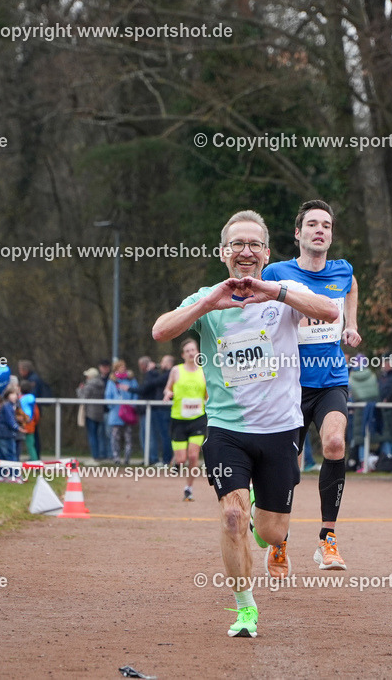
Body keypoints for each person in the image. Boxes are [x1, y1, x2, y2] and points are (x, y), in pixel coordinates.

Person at [152, 209, 338, 638]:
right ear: (224, 252)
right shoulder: (207, 297)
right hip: (227, 430)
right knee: (232, 517)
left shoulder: (284, 291)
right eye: (237, 244)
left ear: (267, 253)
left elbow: (329, 311)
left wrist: (274, 292)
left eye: (254, 244)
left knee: (271, 533)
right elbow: (160, 331)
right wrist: (206, 304)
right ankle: (245, 608)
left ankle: (262, 516)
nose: (246, 251)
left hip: (280, 430)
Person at [261, 199, 360, 570]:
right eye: (313, 224)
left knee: (334, 442)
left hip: (331, 379)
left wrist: (351, 324)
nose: (321, 230)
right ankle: (279, 540)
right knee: (289, 466)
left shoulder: (342, 270)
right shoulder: (276, 272)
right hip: (289, 384)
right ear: (298, 233)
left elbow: (352, 286)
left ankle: (327, 539)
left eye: (327, 225)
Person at [163, 338, 206, 501]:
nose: (190, 353)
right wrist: (168, 393)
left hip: (198, 419)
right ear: (182, 355)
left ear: (198, 352)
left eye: (193, 350)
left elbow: (208, 395)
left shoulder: (203, 371)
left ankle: (189, 488)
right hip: (179, 420)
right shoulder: (176, 370)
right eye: (187, 351)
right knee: (182, 459)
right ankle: (176, 461)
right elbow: (167, 388)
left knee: (193, 456)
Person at [104, 360, 138, 465]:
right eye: (120, 367)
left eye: (124, 366)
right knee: (115, 437)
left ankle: (127, 458)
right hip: (116, 413)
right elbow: (108, 396)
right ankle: (116, 457)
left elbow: (136, 393)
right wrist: (112, 405)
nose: (123, 368)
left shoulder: (131, 380)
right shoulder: (112, 381)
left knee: (128, 437)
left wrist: (132, 405)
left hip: (128, 413)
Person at [78, 367, 108, 459]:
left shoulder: (89, 385)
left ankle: (95, 456)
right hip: (100, 413)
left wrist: (80, 390)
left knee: (92, 436)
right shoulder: (102, 384)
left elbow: (83, 398)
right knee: (100, 435)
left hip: (90, 413)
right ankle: (102, 454)